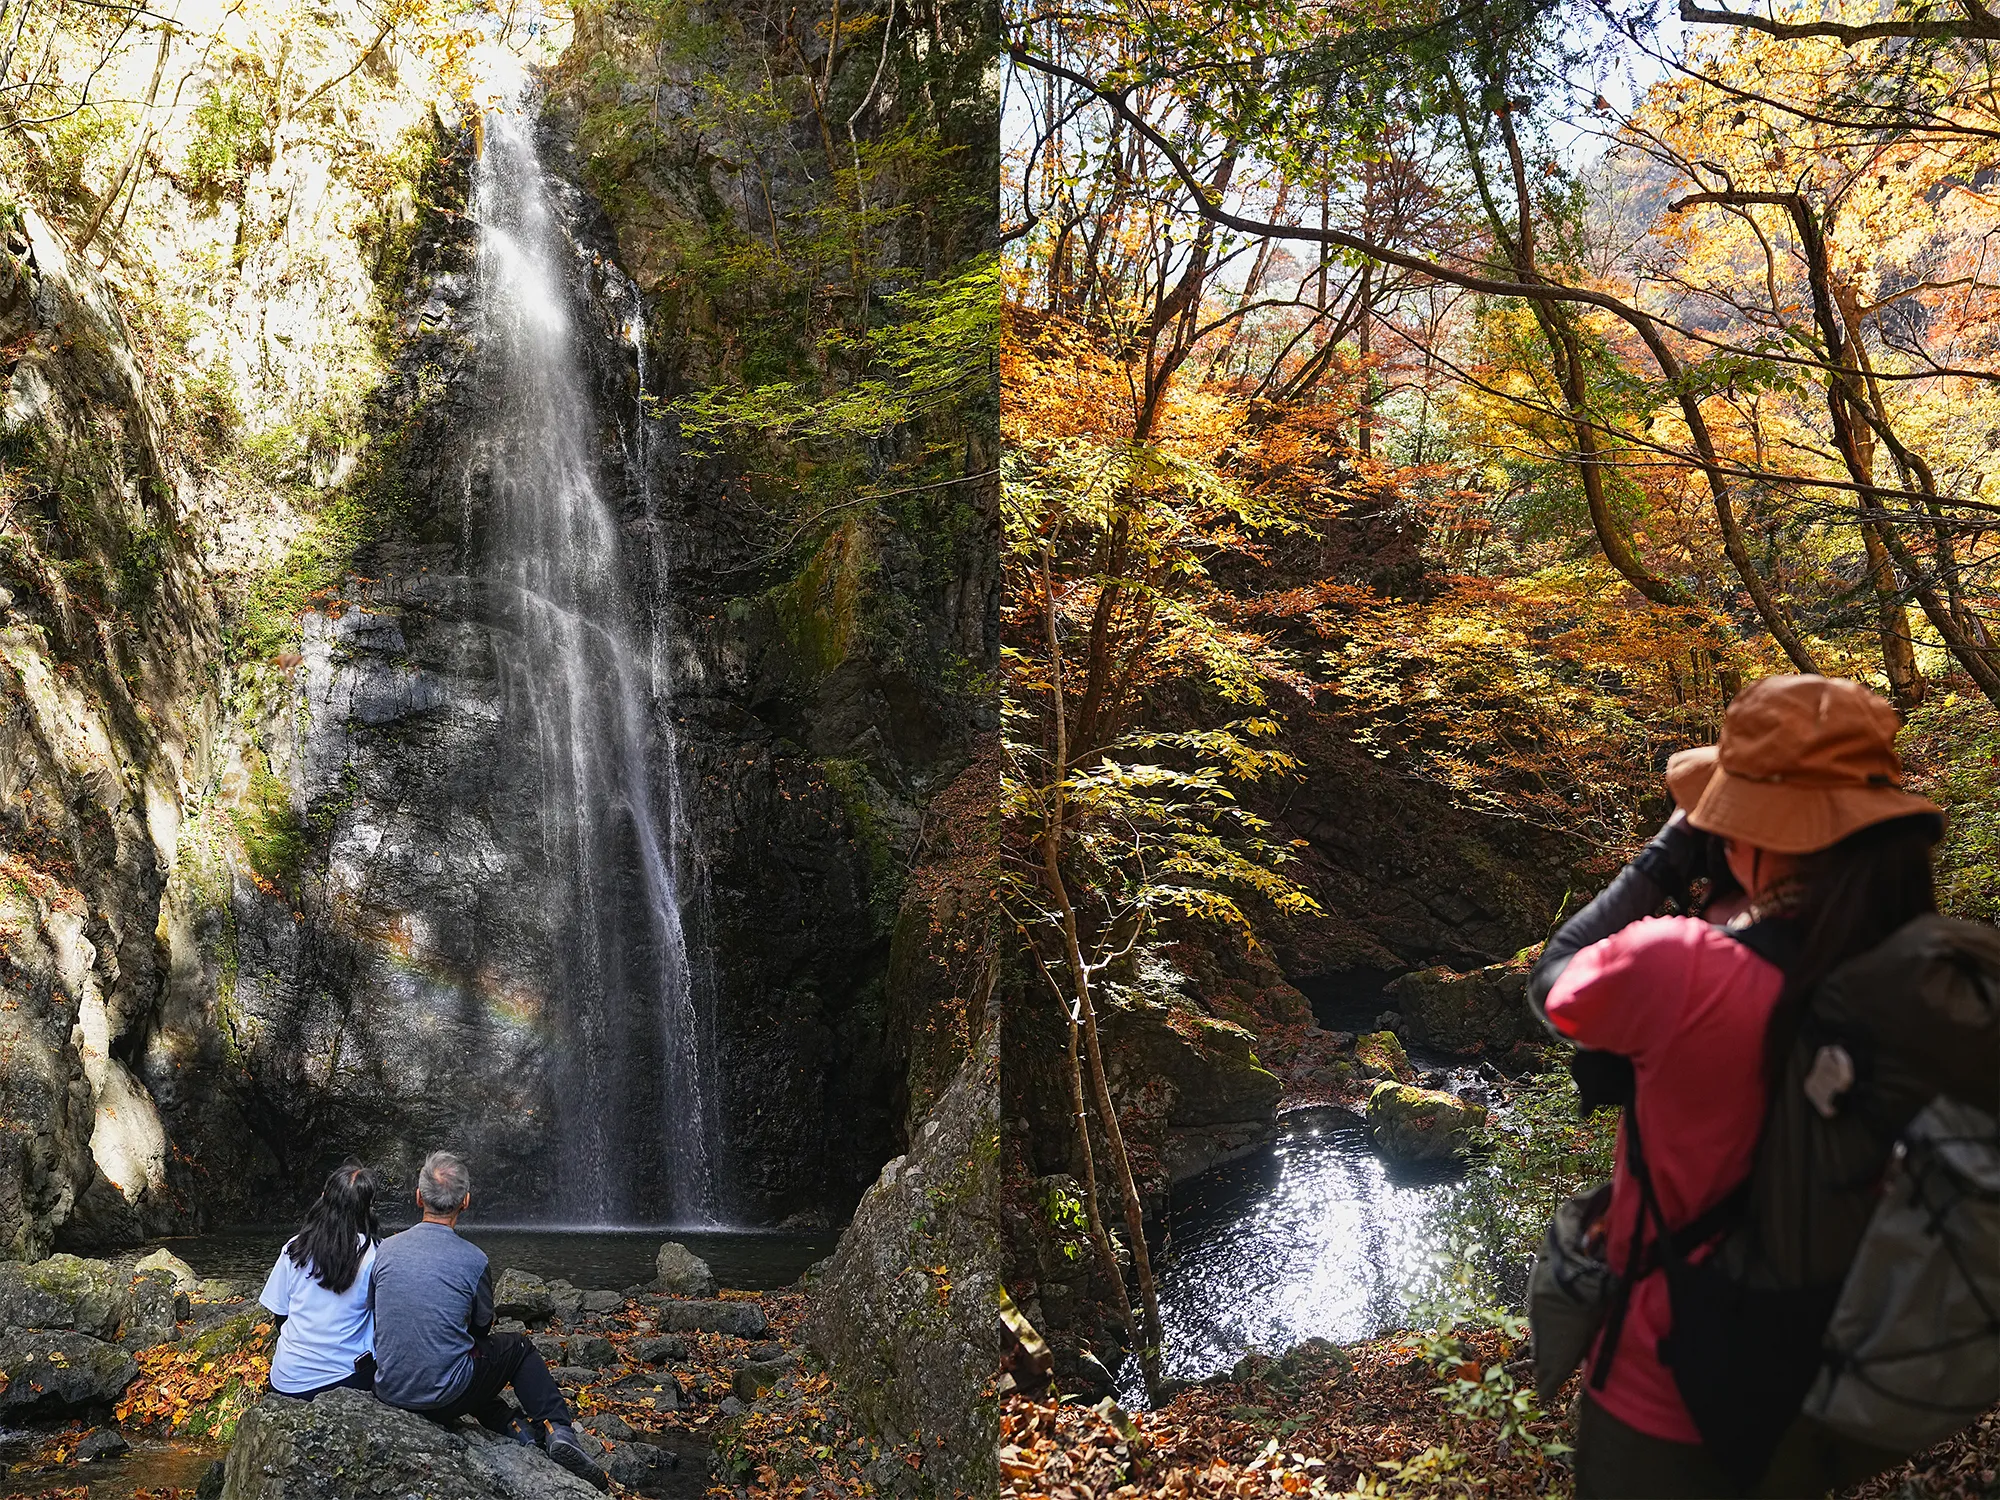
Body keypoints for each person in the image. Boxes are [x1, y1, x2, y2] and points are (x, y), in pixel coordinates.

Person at [1527, 674, 1943, 1500]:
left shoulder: (1682, 968)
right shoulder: (1924, 980)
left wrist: (1663, 857)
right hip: (1820, 1374)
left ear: (1756, 829)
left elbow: (1552, 982)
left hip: (1664, 1394)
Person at [369, 1151, 606, 1490]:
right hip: (443, 1397)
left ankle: (518, 1429)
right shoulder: (473, 1260)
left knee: (462, 1361)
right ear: (465, 1201)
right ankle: (558, 1429)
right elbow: (482, 1327)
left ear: (418, 1196)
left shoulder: (386, 1250)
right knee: (516, 1349)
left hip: (390, 1389)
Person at [257, 1161, 381, 1400]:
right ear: (368, 1207)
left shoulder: (295, 1248)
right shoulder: (376, 1255)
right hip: (346, 1381)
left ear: (324, 1199)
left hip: (286, 1380)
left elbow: (280, 1316)